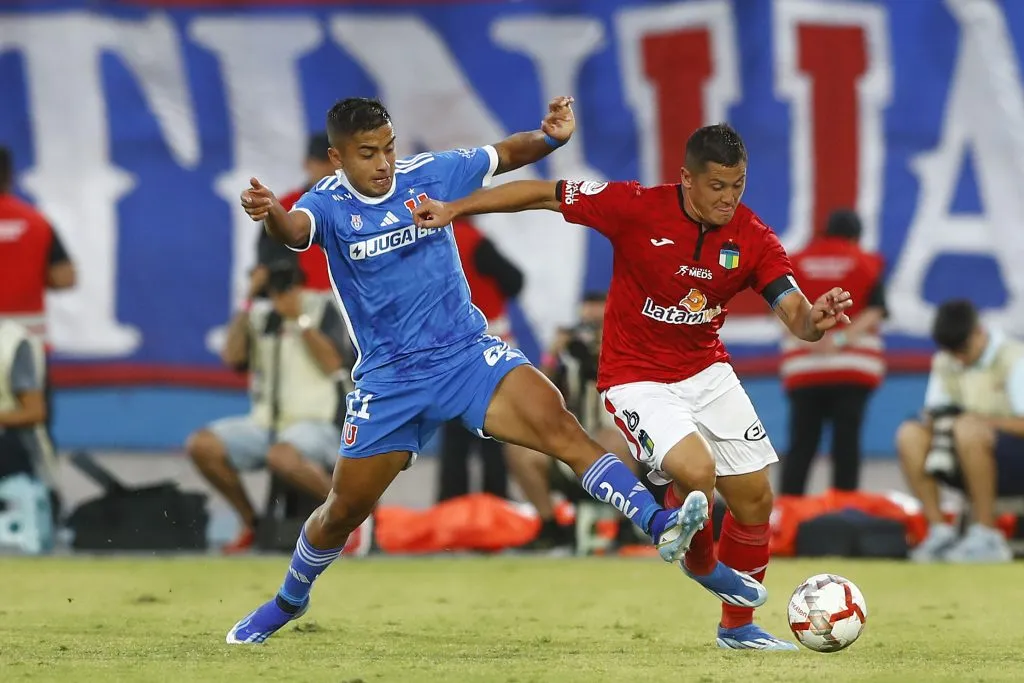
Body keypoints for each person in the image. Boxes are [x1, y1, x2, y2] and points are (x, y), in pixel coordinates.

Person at [226, 97, 723, 645]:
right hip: (391, 381)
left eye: (388, 148)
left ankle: (659, 524)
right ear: (337, 157)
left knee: (558, 424)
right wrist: (270, 211)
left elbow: (505, 154)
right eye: (367, 154)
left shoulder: (429, 173)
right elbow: (294, 232)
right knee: (343, 511)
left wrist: (550, 137)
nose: (384, 163)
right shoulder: (327, 203)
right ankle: (288, 599)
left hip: (466, 355)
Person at [413, 122, 854, 650]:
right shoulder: (636, 207)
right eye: (717, 186)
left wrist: (815, 318)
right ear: (686, 179)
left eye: (738, 185)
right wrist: (457, 209)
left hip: (706, 371)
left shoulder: (752, 237)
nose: (729, 198)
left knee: (755, 499)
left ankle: (738, 629)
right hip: (635, 376)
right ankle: (703, 560)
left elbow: (795, 316)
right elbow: (542, 194)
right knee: (698, 472)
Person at [186, 261, 351, 554]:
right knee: (203, 445)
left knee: (282, 456)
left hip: (318, 422)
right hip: (266, 424)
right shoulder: (259, 315)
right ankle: (252, 524)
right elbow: (232, 356)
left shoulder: (323, 306)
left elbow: (334, 364)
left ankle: (351, 515)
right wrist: (248, 300)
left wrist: (299, 319)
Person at [896, 300, 1023, 563]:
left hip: (1015, 461)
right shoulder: (945, 361)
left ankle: (987, 534)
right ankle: (940, 531)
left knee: (968, 428)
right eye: (952, 352)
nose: (958, 359)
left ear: (979, 332)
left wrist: (979, 422)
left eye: (963, 350)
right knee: (910, 434)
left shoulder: (1014, 358)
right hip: (964, 456)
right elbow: (934, 414)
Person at [779, 209, 887, 495]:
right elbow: (875, 311)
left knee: (802, 443)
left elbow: (779, 309)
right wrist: (839, 342)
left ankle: (788, 511)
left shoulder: (795, 262)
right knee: (846, 443)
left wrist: (810, 341)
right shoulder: (866, 262)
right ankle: (844, 510)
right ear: (855, 237)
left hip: (804, 369)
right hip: (853, 368)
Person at [436, 218, 524, 502]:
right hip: (487, 350)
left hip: (447, 351)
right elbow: (514, 280)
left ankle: (451, 506)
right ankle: (495, 503)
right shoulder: (474, 241)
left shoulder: (426, 244)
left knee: (455, 437)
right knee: (494, 431)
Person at [254, 133, 337, 293]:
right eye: (321, 162)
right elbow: (270, 260)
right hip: (303, 305)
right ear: (307, 164)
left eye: (333, 162)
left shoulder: (359, 202)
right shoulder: (285, 206)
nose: (328, 168)